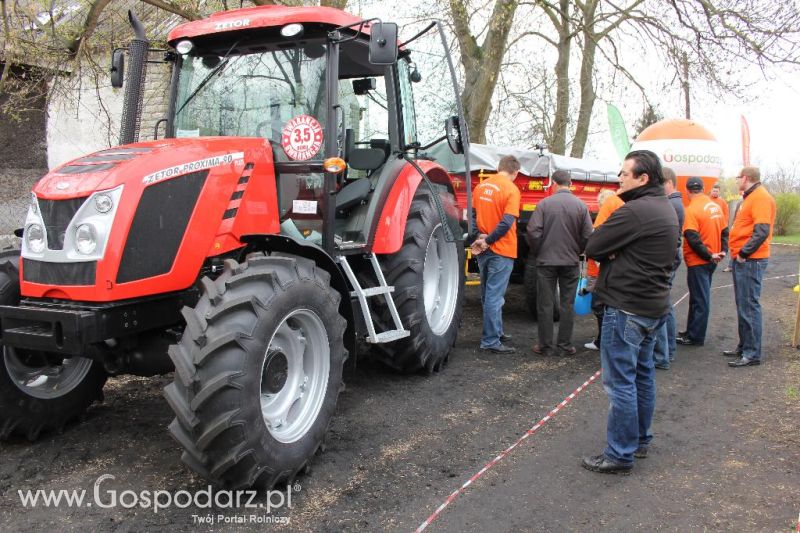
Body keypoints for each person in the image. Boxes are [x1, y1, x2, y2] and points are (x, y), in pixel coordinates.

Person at [582, 150, 679, 474]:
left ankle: (619, 453)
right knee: (642, 376)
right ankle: (638, 441)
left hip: (627, 309)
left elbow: (594, 246)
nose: (619, 178)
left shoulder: (635, 211)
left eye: (625, 173)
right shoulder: (663, 207)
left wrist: (613, 254)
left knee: (620, 383)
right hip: (652, 307)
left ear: (643, 178)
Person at [526, 169, 593, 356]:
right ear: (569, 183)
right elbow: (588, 234)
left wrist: (539, 250)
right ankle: (565, 346)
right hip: (570, 262)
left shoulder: (544, 204)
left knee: (545, 305)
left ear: (554, 183)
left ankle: (545, 346)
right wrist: (577, 251)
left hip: (546, 262)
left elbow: (533, 232)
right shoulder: (581, 206)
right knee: (567, 304)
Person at [724, 166, 776, 367]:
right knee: (743, 304)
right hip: (744, 259)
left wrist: (744, 253)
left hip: (751, 260)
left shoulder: (761, 198)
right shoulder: (751, 197)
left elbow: (761, 230)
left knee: (749, 305)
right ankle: (744, 346)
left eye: (738, 178)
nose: (737, 181)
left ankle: (752, 352)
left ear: (745, 178)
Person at [471, 155, 522, 354]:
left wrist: (479, 237)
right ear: (515, 172)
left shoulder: (481, 187)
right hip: (502, 249)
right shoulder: (511, 189)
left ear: (498, 167)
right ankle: (491, 340)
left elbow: (473, 217)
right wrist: (489, 240)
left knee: (488, 294)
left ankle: (497, 332)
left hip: (484, 249)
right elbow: (507, 222)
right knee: (494, 296)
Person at [676, 177, 728, 347]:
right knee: (698, 297)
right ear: (703, 188)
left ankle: (696, 336)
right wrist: (722, 251)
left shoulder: (692, 209)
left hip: (699, 260)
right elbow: (725, 231)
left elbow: (692, 237)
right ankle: (691, 331)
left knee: (700, 299)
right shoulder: (715, 206)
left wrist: (707, 255)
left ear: (687, 190)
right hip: (711, 258)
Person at [584, 188, 624, 351]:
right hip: (604, 273)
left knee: (599, 306)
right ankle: (605, 339)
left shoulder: (604, 225)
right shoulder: (618, 223)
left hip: (598, 274)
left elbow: (597, 249)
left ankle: (603, 341)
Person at [653, 167, 685, 369]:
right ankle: (668, 350)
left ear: (668, 183)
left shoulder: (672, 205)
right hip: (671, 258)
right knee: (665, 306)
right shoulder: (675, 203)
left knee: (662, 308)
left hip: (667, 259)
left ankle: (663, 354)